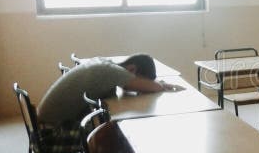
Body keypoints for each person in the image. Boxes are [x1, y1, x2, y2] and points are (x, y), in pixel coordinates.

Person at [37, 53, 179, 129]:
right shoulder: (113, 72)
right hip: (53, 127)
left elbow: (134, 86)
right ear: (132, 69)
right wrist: (160, 85)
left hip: (47, 118)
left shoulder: (105, 64)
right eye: (140, 79)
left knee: (114, 125)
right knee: (116, 132)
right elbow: (153, 87)